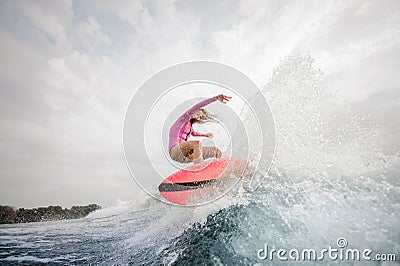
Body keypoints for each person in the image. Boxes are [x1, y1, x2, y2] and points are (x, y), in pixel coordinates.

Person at [169, 94, 231, 164]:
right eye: (198, 114)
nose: (198, 117)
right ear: (194, 112)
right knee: (197, 144)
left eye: (200, 117)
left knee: (215, 150)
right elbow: (198, 106)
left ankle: (224, 166)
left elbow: (194, 133)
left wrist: (205, 135)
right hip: (175, 151)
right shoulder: (183, 119)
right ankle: (199, 167)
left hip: (185, 155)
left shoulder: (190, 127)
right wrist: (215, 98)